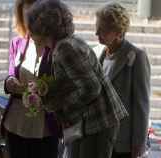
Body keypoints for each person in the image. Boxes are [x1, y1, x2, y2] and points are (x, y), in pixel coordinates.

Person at [25, 0, 129, 158]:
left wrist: (59, 106)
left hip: (98, 122)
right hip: (95, 121)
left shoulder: (64, 48)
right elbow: (72, 84)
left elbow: (91, 88)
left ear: (44, 28)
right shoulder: (67, 43)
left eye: (32, 28)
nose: (29, 34)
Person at [2, 0, 60, 158]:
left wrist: (44, 92)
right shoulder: (17, 42)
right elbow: (11, 74)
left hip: (45, 127)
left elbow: (65, 87)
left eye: (34, 16)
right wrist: (9, 82)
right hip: (15, 124)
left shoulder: (58, 46)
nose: (30, 21)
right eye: (26, 15)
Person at [95, 3, 151, 158]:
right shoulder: (101, 54)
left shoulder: (136, 56)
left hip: (123, 142)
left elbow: (142, 104)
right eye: (97, 27)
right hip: (101, 137)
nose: (96, 33)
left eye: (103, 30)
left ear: (119, 32)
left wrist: (139, 143)